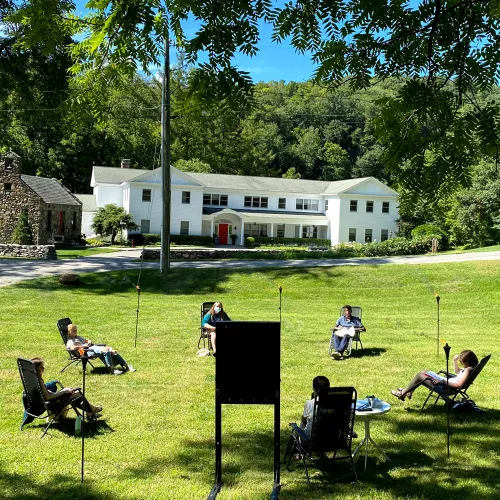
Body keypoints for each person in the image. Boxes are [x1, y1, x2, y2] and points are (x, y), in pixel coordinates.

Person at [391, 350, 479, 401]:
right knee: (424, 371)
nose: (461, 363)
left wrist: (442, 381)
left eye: (461, 362)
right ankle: (408, 391)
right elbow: (457, 372)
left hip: (445, 387)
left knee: (419, 376)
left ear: (467, 361)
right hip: (447, 383)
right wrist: (454, 361)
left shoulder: (468, 370)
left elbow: (459, 385)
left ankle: (402, 393)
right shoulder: (470, 368)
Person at [31, 357, 103, 420]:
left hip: (48, 401)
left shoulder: (33, 379)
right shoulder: (39, 381)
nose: (43, 368)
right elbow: (48, 397)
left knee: (74, 393)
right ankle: (92, 410)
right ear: (36, 369)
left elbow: (45, 393)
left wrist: (60, 391)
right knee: (77, 393)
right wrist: (64, 392)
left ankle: (90, 412)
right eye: (41, 367)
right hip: (53, 403)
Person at [66, 323, 135, 375]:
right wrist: (83, 346)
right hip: (86, 352)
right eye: (73, 331)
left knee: (113, 352)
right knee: (107, 351)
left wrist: (89, 341)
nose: (75, 332)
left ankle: (127, 367)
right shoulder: (70, 341)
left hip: (91, 348)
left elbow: (87, 340)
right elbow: (73, 348)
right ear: (69, 332)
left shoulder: (78, 337)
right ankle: (112, 370)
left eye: (76, 330)